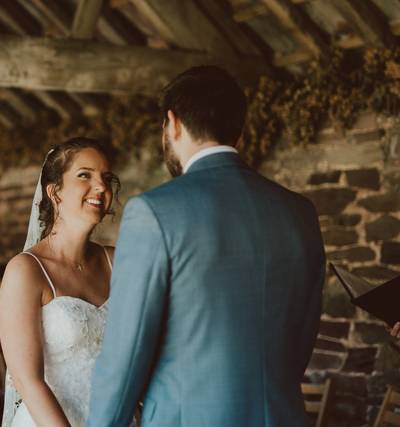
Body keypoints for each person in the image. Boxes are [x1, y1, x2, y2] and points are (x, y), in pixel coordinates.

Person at [86, 66, 326, 427]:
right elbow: (303, 336)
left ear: (173, 123)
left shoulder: (153, 213)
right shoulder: (299, 213)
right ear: (240, 133)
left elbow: (126, 355)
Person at [0, 137, 133, 427]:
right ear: (54, 191)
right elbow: (27, 380)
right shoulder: (26, 271)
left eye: (106, 178)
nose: (101, 187)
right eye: (85, 175)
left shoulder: (118, 262)